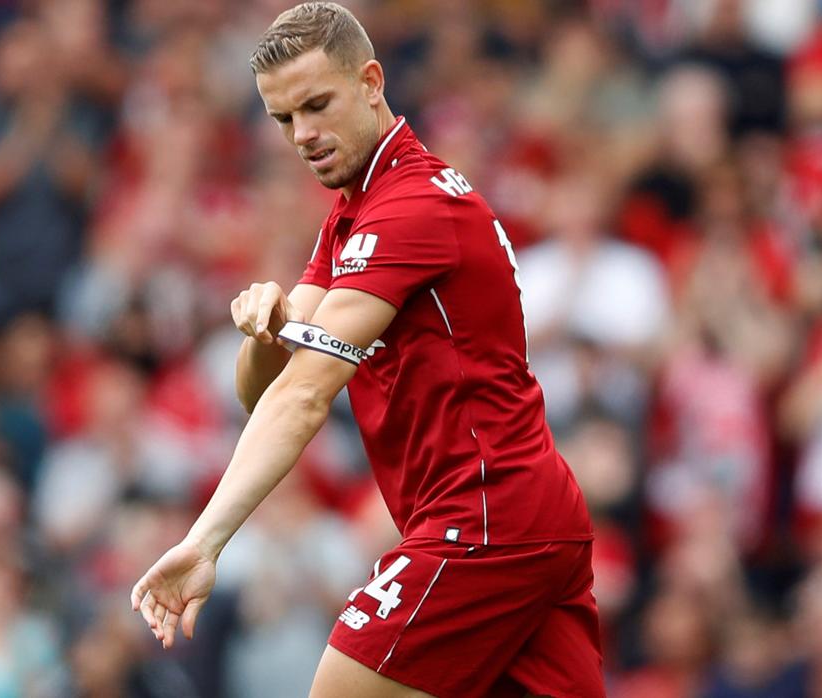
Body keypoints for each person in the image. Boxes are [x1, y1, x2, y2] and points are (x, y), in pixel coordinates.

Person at [130, 3, 603, 697]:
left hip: (483, 518)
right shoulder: (356, 212)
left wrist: (204, 542)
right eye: (284, 118)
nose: (303, 134)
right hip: (523, 518)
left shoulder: (409, 209)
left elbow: (304, 395)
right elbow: (261, 389)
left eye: (317, 105)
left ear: (371, 82)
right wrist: (265, 331)